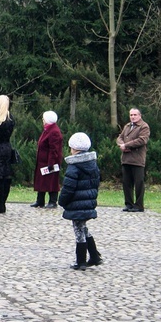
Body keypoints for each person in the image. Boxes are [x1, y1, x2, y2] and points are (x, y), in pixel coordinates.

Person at [58, 132, 102, 270]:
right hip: (88, 201)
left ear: (74, 148)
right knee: (83, 227)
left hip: (76, 203)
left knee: (78, 230)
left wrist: (62, 201)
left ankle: (81, 260)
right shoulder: (92, 164)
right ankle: (94, 256)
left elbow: (68, 187)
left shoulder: (74, 166)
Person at [117, 108, 151, 212]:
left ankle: (139, 205)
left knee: (139, 183)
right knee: (126, 183)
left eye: (135, 115)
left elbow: (142, 140)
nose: (132, 117)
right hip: (126, 159)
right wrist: (121, 144)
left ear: (139, 116)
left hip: (137, 160)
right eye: (131, 115)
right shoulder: (127, 126)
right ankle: (129, 204)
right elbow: (119, 137)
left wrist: (126, 145)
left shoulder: (144, 126)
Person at [32, 110, 63, 209]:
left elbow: (54, 149)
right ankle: (40, 200)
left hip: (50, 161)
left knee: (52, 181)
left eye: (44, 119)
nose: (42, 120)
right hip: (43, 161)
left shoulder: (54, 132)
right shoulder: (48, 129)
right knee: (41, 181)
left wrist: (51, 163)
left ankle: (53, 201)